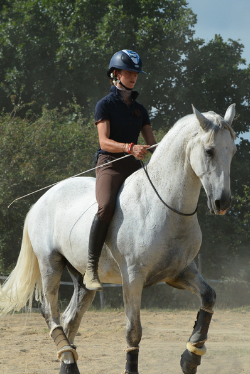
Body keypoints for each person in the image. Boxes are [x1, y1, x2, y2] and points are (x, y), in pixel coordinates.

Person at [84, 50, 157, 290]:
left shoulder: (140, 109)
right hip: (110, 164)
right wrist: (129, 147)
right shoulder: (104, 105)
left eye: (135, 73)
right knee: (105, 206)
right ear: (116, 74)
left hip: (134, 166)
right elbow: (104, 142)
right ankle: (90, 267)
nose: (133, 76)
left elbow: (153, 144)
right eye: (128, 72)